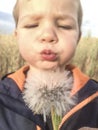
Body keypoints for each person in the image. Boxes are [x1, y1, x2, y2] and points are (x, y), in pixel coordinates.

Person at [0, 0, 98, 130]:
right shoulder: (3, 96)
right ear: (17, 35)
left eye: (65, 26)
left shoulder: (94, 98)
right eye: (32, 25)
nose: (48, 35)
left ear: (78, 37)